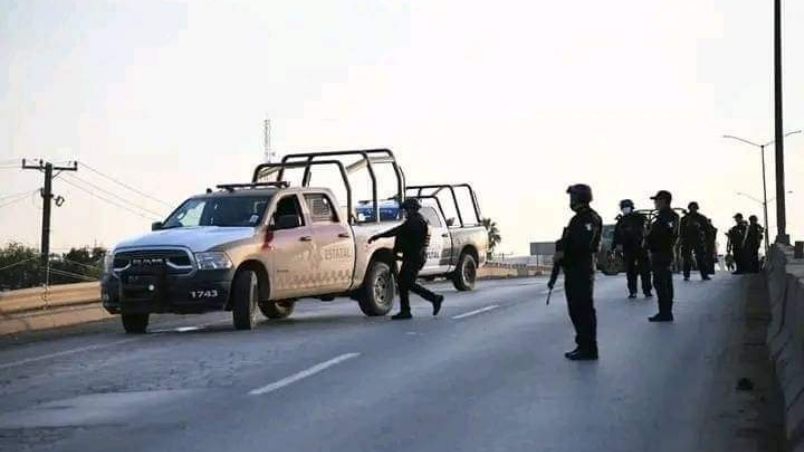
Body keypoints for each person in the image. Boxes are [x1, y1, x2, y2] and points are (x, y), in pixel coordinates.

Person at [368, 198, 444, 320]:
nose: (405, 212)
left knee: (406, 283)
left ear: (412, 209)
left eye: (407, 209)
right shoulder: (418, 220)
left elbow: (398, 232)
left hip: (414, 258)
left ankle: (433, 298)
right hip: (413, 257)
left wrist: (379, 236)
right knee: (404, 283)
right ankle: (407, 310)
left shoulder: (415, 222)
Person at [555, 184, 602, 361]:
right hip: (575, 268)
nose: (571, 201)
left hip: (581, 268)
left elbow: (583, 244)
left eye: (573, 197)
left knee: (582, 309)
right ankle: (583, 345)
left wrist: (564, 252)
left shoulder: (588, 219)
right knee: (577, 309)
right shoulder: (579, 219)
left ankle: (588, 348)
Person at [645, 190, 679, 322]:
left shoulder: (669, 217)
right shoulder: (662, 216)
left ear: (664, 201)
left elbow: (668, 235)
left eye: (657, 200)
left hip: (662, 252)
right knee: (662, 282)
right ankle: (664, 311)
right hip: (660, 252)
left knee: (662, 283)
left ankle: (665, 313)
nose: (655, 203)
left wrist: (650, 235)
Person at [611, 199, 652, 299]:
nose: (625, 209)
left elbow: (648, 229)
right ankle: (632, 291)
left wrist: (649, 244)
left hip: (641, 247)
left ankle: (647, 291)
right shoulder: (621, 221)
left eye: (626, 207)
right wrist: (615, 247)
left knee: (645, 270)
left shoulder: (639, 217)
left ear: (631, 207)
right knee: (630, 271)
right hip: (628, 249)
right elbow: (617, 235)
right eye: (624, 207)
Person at [679, 202, 711, 281]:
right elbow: (681, 230)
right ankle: (686, 275)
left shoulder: (701, 218)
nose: (693, 209)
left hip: (698, 239)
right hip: (687, 240)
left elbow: (707, 229)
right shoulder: (685, 218)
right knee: (687, 258)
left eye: (694, 208)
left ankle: (704, 275)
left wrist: (706, 239)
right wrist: (681, 239)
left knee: (700, 258)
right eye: (691, 208)